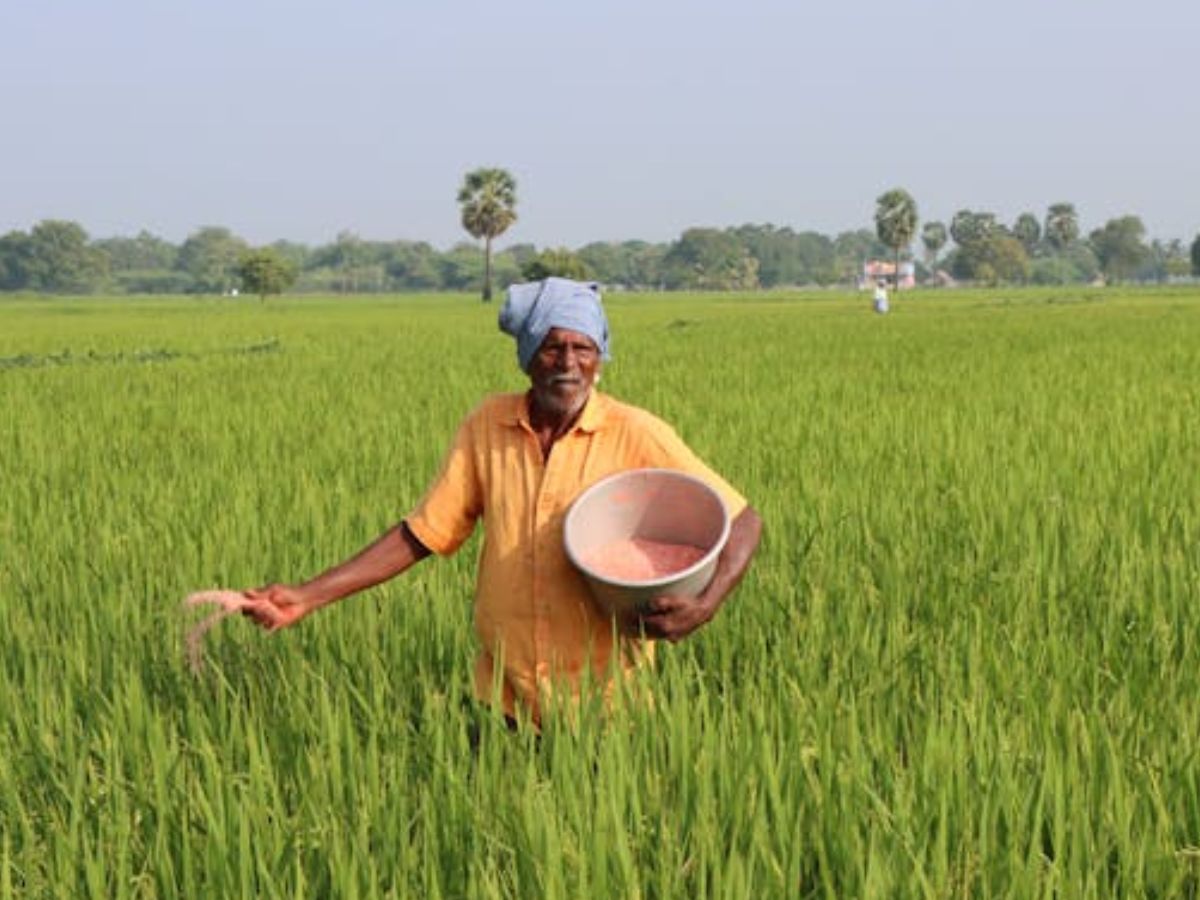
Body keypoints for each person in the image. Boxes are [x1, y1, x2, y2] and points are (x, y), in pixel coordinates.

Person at [241, 277, 763, 726]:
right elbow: (424, 532)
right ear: (528, 355)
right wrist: (308, 596)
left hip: (608, 704)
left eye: (583, 348)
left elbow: (743, 520)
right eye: (553, 347)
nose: (568, 364)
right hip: (504, 699)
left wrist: (706, 605)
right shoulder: (487, 425)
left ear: (600, 355)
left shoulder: (635, 432)